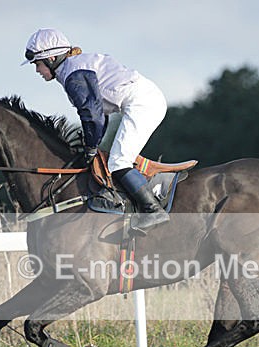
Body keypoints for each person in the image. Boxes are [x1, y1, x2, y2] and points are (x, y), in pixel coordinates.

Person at [22, 28, 169, 233]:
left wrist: (91, 146)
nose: (37, 70)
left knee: (118, 161)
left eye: (37, 64)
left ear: (51, 58)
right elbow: (100, 114)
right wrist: (93, 144)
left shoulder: (74, 75)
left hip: (143, 104)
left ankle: (152, 209)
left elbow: (93, 115)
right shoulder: (74, 68)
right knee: (112, 158)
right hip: (141, 100)